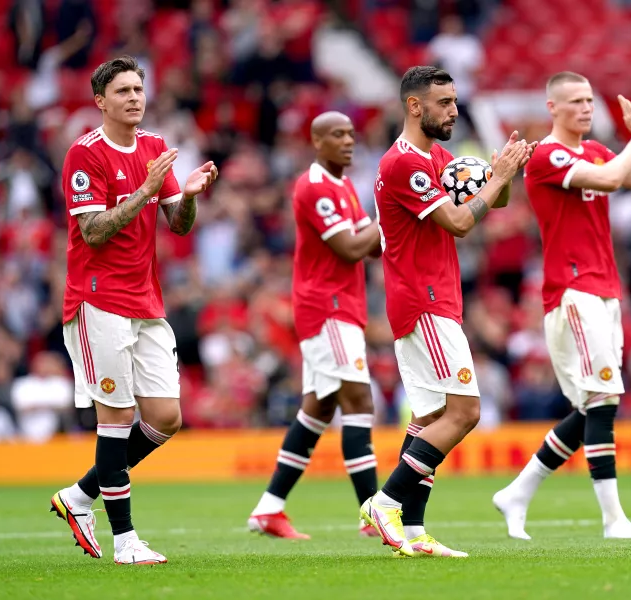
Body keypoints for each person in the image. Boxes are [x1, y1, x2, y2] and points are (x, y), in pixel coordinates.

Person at [49, 55, 218, 565]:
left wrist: (185, 197)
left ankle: (80, 496)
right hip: (96, 298)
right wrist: (145, 190)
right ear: (101, 100)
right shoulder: (85, 154)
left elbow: (179, 225)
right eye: (123, 90)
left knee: (166, 417)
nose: (135, 97)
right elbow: (93, 230)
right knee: (118, 415)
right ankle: (125, 541)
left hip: (145, 299)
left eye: (139, 88)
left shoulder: (155, 147)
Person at [360, 66, 533, 557]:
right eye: (445, 103)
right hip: (424, 300)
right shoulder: (404, 164)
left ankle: (412, 530)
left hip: (434, 297)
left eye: (455, 101)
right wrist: (494, 179)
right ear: (415, 106)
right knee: (465, 412)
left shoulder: (436, 156)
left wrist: (504, 177)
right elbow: (459, 221)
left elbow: (488, 205)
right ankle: (386, 501)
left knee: (432, 415)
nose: (454, 111)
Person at [492, 70, 631, 540]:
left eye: (590, 100)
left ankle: (518, 493)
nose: (586, 108)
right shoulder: (546, 155)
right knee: (603, 398)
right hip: (573, 291)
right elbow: (612, 179)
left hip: (604, 290)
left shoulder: (593, 149)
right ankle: (614, 521)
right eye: (575, 101)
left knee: (594, 405)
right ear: (552, 108)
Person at [247, 112, 382, 539]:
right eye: (337, 134)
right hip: (328, 307)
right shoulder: (314, 187)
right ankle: (373, 512)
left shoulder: (343, 187)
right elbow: (349, 247)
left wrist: (390, 221)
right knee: (358, 400)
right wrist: (394, 213)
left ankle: (268, 509)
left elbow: (372, 247)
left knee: (320, 408)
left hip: (342, 306)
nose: (348, 141)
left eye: (351, 134)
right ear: (316, 141)